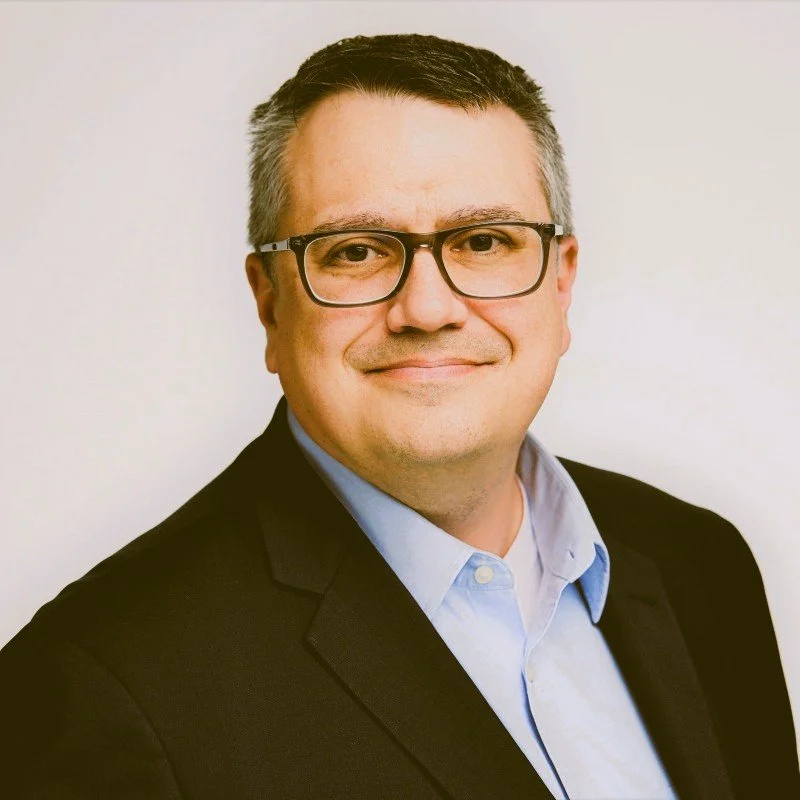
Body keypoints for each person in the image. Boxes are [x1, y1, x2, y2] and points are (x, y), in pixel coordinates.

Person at [0, 33, 796, 800]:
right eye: (355, 251)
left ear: (561, 283)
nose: (427, 307)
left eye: (485, 241)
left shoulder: (701, 566)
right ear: (269, 303)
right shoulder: (101, 684)